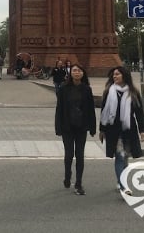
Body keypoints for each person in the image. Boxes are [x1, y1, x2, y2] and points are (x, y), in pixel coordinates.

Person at [99, 66, 144, 195]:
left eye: (117, 74)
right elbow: (104, 112)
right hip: (113, 130)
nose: (114, 77)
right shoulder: (109, 91)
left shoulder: (133, 92)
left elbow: (139, 113)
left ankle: (120, 181)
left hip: (129, 129)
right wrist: (101, 130)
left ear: (124, 76)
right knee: (120, 157)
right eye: (113, 75)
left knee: (125, 157)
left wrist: (143, 130)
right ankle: (124, 186)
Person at [55, 64, 96, 195]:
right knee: (69, 155)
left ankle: (78, 183)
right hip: (67, 126)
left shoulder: (86, 89)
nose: (77, 72)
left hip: (81, 127)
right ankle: (68, 176)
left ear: (83, 73)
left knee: (80, 155)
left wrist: (93, 127)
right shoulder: (63, 88)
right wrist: (58, 127)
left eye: (79, 70)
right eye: (74, 70)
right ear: (70, 73)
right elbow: (59, 109)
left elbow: (90, 110)